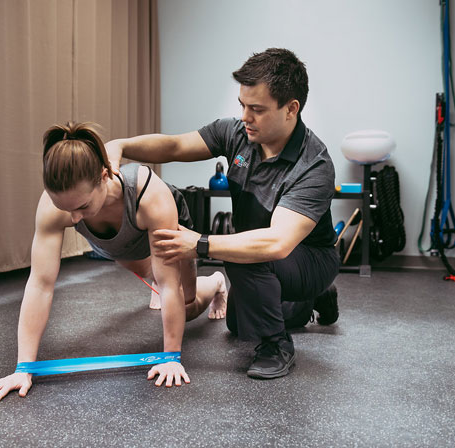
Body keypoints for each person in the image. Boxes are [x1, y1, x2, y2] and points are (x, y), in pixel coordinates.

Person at [106, 48, 340, 380]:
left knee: (246, 262)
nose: (245, 117)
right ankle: (310, 302)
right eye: (243, 105)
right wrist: (121, 146)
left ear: (291, 109)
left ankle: (277, 346)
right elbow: (174, 146)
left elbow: (276, 243)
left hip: (310, 258)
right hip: (264, 255)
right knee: (239, 323)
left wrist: (199, 243)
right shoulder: (237, 134)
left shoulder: (313, 165)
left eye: (257, 109)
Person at [0, 122, 227, 402]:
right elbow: (40, 284)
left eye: (82, 206)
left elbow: (170, 285)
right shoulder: (54, 205)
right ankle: (154, 274)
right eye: (64, 208)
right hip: (118, 245)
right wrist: (23, 369)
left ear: (104, 176)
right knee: (156, 278)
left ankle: (216, 282)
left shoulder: (150, 194)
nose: (73, 219)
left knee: (186, 305)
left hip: (164, 228)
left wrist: (171, 357)